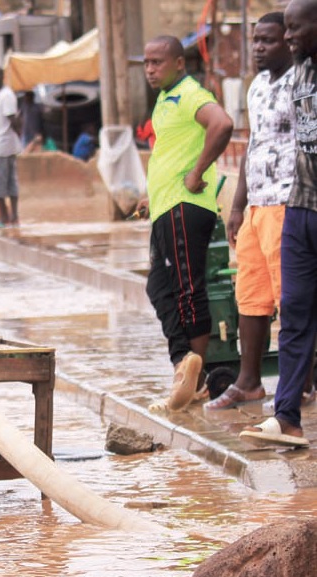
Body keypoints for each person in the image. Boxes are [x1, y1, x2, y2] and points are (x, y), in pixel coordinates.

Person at [206, 12, 314, 410]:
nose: (258, 48)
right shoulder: (256, 87)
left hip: (292, 203)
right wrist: (237, 206)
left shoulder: (302, 82)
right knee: (251, 297)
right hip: (257, 206)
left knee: (294, 300)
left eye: (268, 40)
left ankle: (300, 384)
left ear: (289, 40)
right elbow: (253, 146)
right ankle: (249, 381)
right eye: (255, 41)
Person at [138, 35, 234, 412]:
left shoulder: (189, 93)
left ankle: (190, 377)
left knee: (186, 288)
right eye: (146, 63)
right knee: (159, 286)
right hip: (167, 206)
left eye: (157, 62)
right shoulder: (165, 99)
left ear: (179, 63)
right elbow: (174, 150)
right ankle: (185, 365)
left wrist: (197, 173)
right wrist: (153, 194)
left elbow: (222, 124)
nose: (150, 69)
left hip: (185, 205)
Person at [239, 0, 317, 448]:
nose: (288, 38)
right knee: (295, 315)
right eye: (283, 30)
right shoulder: (300, 72)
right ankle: (286, 417)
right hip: (300, 208)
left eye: (294, 29)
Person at [0, 67, 22, 228]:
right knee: (7, 181)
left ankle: (5, 218)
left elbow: (12, 119)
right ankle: (11, 217)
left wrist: (19, 138)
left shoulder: (7, 95)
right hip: (2, 141)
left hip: (3, 144)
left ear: (2, 77)